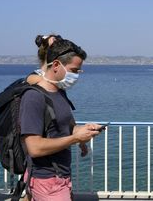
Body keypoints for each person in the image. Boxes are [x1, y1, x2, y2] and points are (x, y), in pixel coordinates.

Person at [20, 39, 103, 201]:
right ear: (56, 65)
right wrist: (75, 138)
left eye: (78, 72)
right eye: (74, 70)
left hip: (61, 177)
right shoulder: (33, 97)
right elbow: (34, 148)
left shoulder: (59, 93)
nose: (76, 76)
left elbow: (67, 128)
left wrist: (84, 131)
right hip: (46, 180)